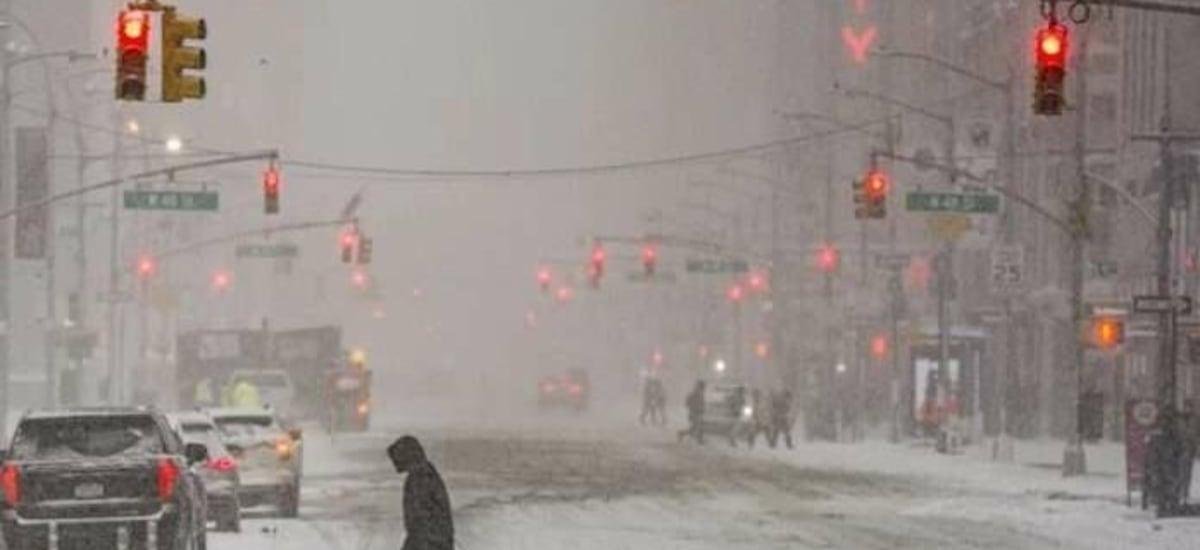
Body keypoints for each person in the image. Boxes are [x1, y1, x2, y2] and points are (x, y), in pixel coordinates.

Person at [388, 436, 454, 550]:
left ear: (407, 455)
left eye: (397, 457)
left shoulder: (420, 477)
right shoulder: (425, 473)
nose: (394, 462)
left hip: (429, 542)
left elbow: (420, 522)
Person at [677, 380, 706, 444]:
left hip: (697, 412)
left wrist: (702, 409)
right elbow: (688, 403)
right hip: (694, 413)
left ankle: (699, 439)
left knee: (698, 426)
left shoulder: (700, 394)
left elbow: (701, 403)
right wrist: (693, 407)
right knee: (696, 427)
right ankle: (682, 434)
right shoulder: (695, 394)